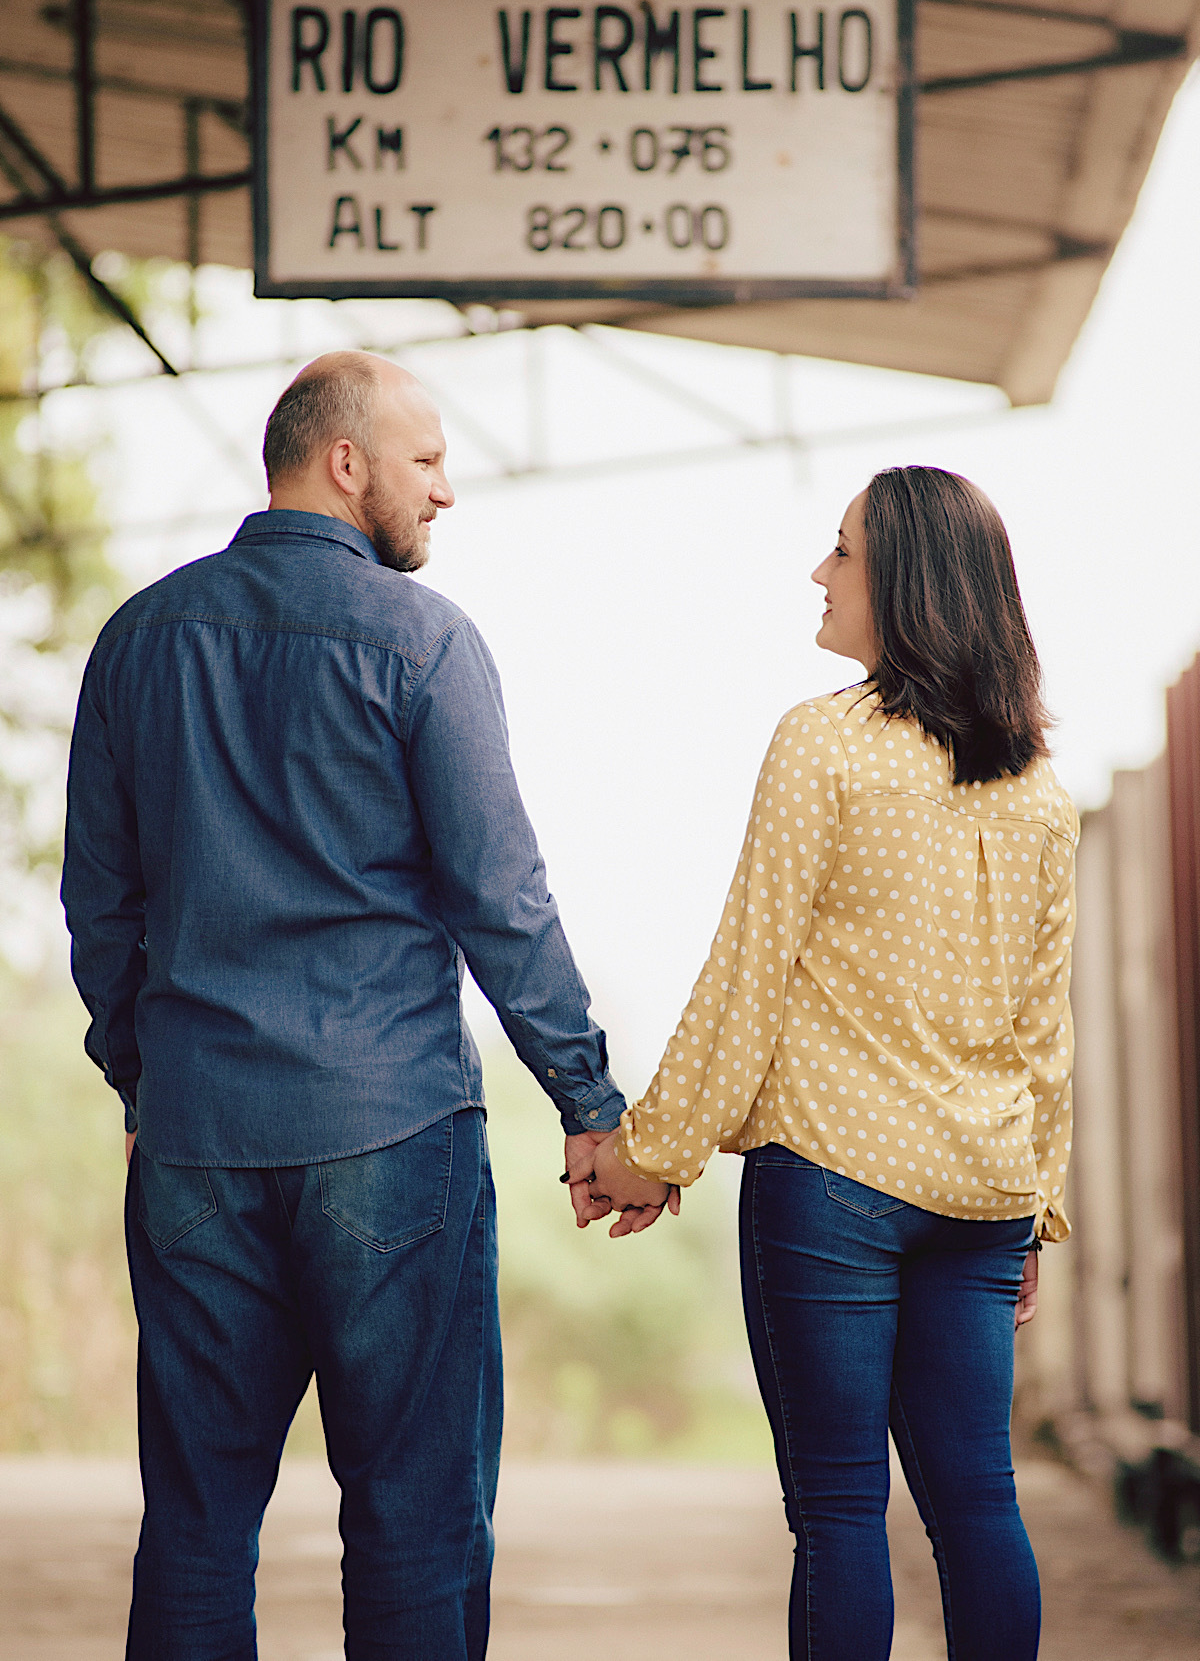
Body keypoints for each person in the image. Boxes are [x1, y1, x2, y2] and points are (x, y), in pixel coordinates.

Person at [60, 351, 673, 1661]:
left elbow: (100, 909)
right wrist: (589, 1101)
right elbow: (501, 897)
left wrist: (145, 1080)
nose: (446, 490)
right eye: (429, 459)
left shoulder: (138, 640)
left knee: (196, 1525)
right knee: (411, 1517)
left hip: (198, 1138)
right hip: (388, 1130)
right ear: (346, 461)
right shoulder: (424, 642)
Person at [574, 466, 1077, 1660]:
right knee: (979, 1502)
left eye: (840, 550)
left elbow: (747, 973)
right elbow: (1043, 1031)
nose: (819, 570)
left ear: (904, 579)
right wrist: (1040, 1210)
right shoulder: (1038, 789)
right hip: (981, 1198)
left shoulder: (822, 744)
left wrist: (646, 1152)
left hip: (836, 1186)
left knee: (842, 1512)